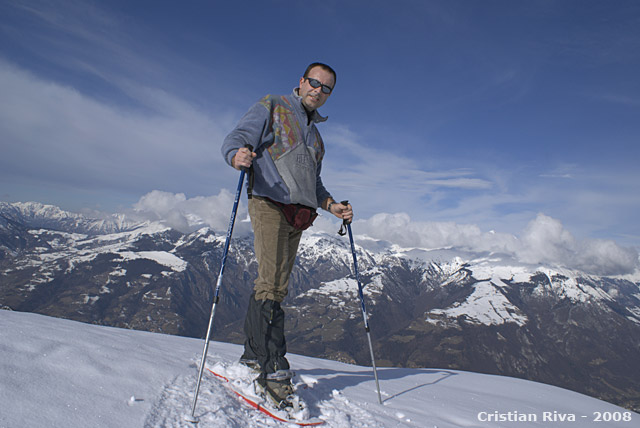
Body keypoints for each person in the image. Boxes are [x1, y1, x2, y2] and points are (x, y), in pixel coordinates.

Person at [221, 62, 353, 408]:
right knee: (273, 285)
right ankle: (274, 369)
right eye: (314, 83)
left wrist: (331, 205)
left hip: (298, 215)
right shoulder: (273, 105)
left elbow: (314, 183)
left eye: (326, 88)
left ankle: (253, 355)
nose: (318, 91)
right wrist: (236, 155)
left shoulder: (317, 139)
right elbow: (237, 138)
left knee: (274, 282)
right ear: (302, 81)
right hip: (268, 202)